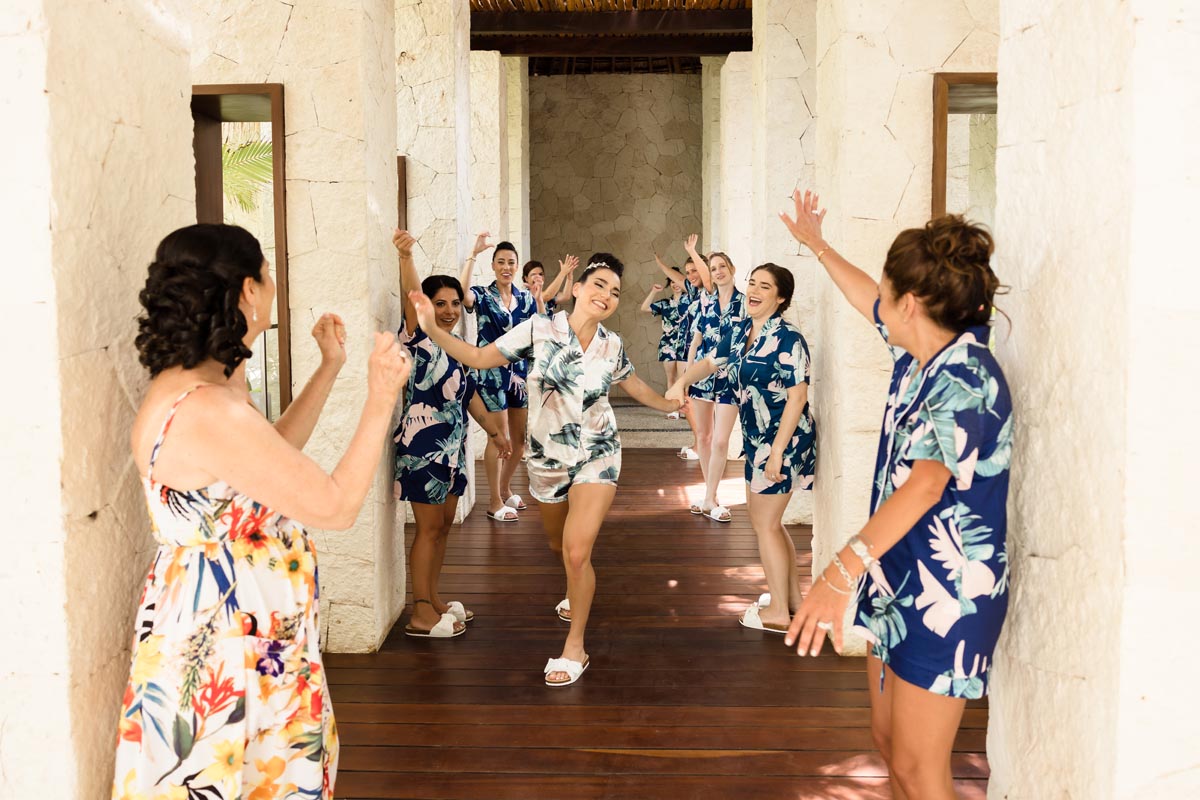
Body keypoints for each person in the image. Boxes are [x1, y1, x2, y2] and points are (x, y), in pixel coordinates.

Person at [113, 223, 410, 799]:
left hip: (240, 629)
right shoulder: (208, 409)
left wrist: (329, 368)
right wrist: (380, 398)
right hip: (226, 642)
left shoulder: (205, 387)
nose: (273, 286)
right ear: (248, 289)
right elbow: (336, 506)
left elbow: (267, 459)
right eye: (268, 274)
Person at [781, 190, 1012, 800]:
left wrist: (839, 573)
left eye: (889, 293)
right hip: (894, 572)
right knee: (888, 744)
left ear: (910, 303)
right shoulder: (917, 352)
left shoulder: (966, 373)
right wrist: (817, 246)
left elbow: (928, 484)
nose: (879, 302)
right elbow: (866, 297)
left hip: (948, 591)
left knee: (918, 766)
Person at [408, 254, 684, 687]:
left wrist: (670, 404)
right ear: (578, 288)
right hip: (547, 458)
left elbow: (631, 384)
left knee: (576, 552)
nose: (606, 295)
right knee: (560, 546)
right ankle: (575, 589)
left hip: (598, 452)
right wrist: (430, 327)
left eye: (615, 292)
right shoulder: (538, 328)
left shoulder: (612, 344)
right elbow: (478, 358)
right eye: (599, 284)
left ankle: (575, 647)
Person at [668, 263, 816, 633]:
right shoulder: (739, 330)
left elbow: (798, 398)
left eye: (764, 286)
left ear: (780, 298)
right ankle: (793, 601)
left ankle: (778, 612)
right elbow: (709, 362)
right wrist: (682, 382)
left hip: (784, 441)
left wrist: (777, 451)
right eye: (752, 283)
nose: (753, 290)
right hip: (756, 440)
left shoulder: (789, 339)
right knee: (769, 523)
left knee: (765, 524)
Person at [393, 230, 512, 638]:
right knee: (427, 530)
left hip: (452, 451)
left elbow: (470, 393)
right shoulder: (418, 336)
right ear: (427, 307)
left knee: (443, 528)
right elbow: (413, 295)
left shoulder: (457, 343)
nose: (449, 311)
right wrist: (406, 257)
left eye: (455, 303)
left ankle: (434, 598)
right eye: (440, 304)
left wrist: (495, 432)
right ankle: (420, 612)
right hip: (423, 450)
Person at [461, 236, 537, 520]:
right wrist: (473, 254)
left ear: (517, 267)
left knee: (519, 442)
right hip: (491, 374)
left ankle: (505, 489)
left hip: (519, 375)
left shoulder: (525, 298)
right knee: (499, 439)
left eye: (511, 263)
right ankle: (494, 502)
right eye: (501, 262)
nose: (506, 267)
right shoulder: (482, 295)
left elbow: (537, 330)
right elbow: (463, 295)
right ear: (493, 265)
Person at [683, 235, 746, 521]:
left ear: (732, 269)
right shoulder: (705, 302)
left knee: (721, 441)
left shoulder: (745, 304)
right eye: (714, 267)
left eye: (722, 266)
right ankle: (711, 497)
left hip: (731, 378)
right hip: (702, 376)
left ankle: (709, 498)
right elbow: (695, 342)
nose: (718, 271)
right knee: (703, 436)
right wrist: (686, 376)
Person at [654, 249, 711, 459]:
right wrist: (661, 264)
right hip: (692, 350)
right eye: (688, 271)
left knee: (699, 400)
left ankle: (702, 445)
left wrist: (693, 252)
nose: (690, 275)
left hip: (709, 353)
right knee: (690, 398)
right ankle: (700, 443)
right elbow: (677, 278)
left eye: (695, 270)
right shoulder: (694, 292)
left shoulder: (712, 291)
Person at [640, 274, 688, 418]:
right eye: (672, 282)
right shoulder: (665, 303)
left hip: (686, 343)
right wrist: (654, 291)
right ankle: (673, 409)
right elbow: (644, 307)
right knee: (671, 378)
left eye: (678, 281)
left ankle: (684, 408)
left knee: (683, 378)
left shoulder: (691, 301)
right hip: (668, 344)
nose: (675, 284)